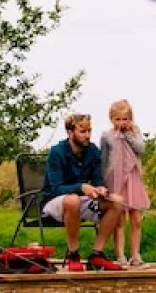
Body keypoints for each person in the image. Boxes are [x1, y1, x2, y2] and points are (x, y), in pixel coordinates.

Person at [42, 111, 124, 271]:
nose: (87, 135)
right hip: (53, 202)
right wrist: (81, 187)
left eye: (89, 131)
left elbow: (98, 178)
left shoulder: (93, 151)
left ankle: (97, 255)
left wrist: (101, 188)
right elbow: (55, 188)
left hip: (80, 200)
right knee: (73, 200)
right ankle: (73, 255)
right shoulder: (57, 152)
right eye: (82, 131)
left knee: (117, 203)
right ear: (70, 132)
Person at [100, 100, 149, 268]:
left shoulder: (135, 132)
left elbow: (141, 149)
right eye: (118, 119)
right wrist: (102, 183)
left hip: (133, 177)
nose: (122, 123)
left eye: (125, 119)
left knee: (136, 218)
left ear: (130, 119)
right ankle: (120, 255)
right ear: (112, 119)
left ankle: (136, 255)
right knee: (119, 219)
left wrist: (128, 134)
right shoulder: (106, 136)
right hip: (115, 179)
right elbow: (104, 160)